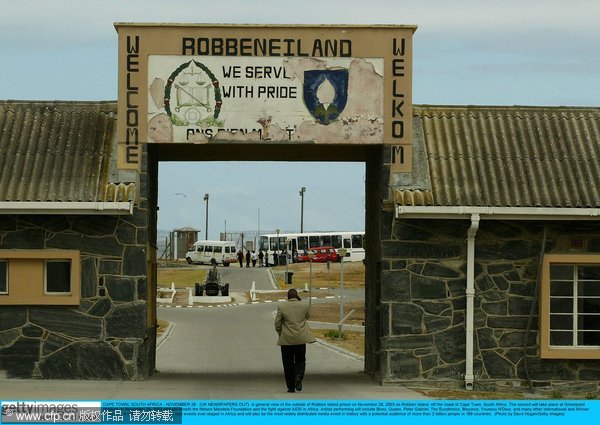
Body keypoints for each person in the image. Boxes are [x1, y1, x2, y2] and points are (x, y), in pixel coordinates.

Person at [274, 288, 316, 393]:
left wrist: (281, 334)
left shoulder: (282, 306)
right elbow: (307, 317)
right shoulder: (305, 305)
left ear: (287, 296)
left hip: (286, 340)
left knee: (287, 363)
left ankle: (291, 387)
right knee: (301, 360)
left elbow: (277, 324)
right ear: (297, 296)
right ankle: (299, 376)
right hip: (301, 339)